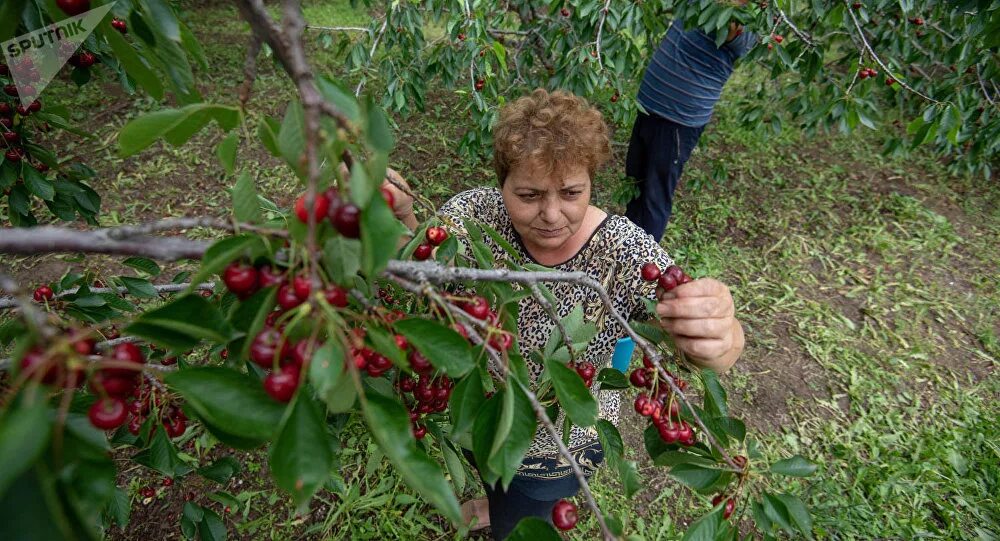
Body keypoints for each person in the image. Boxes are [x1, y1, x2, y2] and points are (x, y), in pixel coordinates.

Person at [382, 89, 744, 539]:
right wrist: (404, 226)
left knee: (522, 515)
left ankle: (504, 515)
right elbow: (430, 274)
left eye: (571, 192)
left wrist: (721, 336)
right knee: (492, 474)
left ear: (591, 184)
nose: (552, 215)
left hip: (554, 447)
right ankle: (491, 501)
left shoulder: (625, 252)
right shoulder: (473, 215)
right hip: (481, 408)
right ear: (502, 185)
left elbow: (702, 340)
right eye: (529, 194)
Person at [625, 12, 756, 241]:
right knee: (634, 184)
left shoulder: (748, 19)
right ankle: (625, 246)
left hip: (677, 120)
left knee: (654, 197)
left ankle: (642, 266)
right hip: (650, 105)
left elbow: (729, 24)